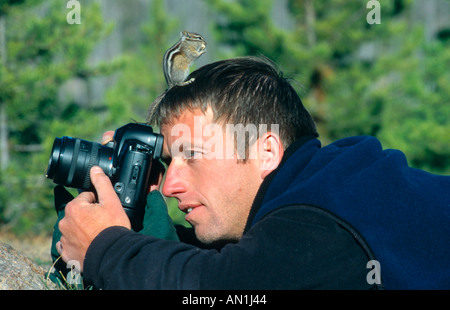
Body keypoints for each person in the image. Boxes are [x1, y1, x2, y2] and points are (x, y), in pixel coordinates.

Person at [55, 56, 450, 289]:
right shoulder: (331, 183)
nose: (172, 184)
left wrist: (103, 247)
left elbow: (223, 287)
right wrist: (144, 214)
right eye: (169, 160)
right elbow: (259, 263)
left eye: (191, 156)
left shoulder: (325, 214)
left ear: (266, 151)